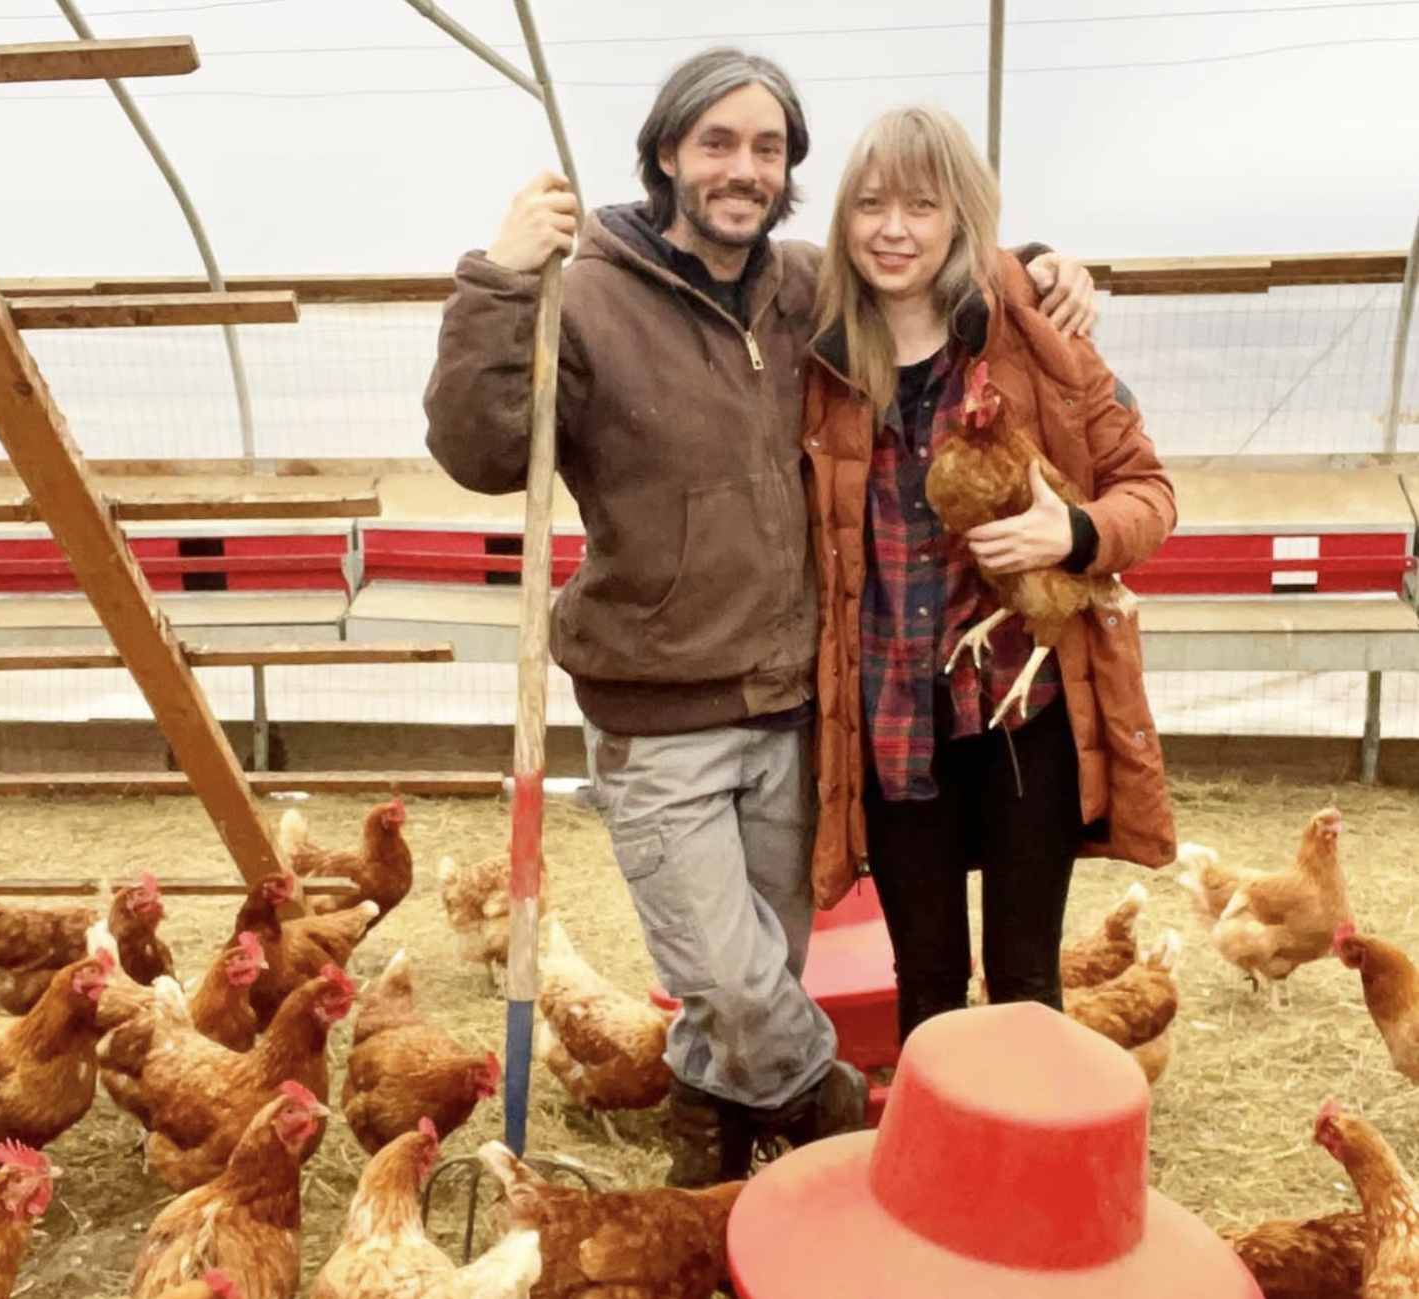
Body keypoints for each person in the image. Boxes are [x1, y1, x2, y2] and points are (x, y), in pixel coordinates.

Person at [424, 48, 1095, 1187]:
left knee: (761, 964)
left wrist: (1038, 264)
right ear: (668, 152)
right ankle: (824, 1100)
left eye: (769, 148)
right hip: (657, 702)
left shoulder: (802, 286)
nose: (745, 168)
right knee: (733, 980)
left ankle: (715, 1125)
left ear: (788, 172)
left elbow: (918, 260)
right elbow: (479, 451)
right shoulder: (580, 296)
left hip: (795, 702)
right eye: (720, 143)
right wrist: (497, 278)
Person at [802, 104, 1178, 1042]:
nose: (894, 229)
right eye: (872, 204)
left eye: (922, 205)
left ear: (962, 215)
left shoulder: (1042, 339)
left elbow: (1152, 491)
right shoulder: (819, 356)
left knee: (1022, 979)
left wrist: (1075, 531)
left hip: (1023, 711)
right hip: (891, 723)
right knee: (923, 985)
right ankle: (943, 1170)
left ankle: (1025, 1171)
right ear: (844, 218)